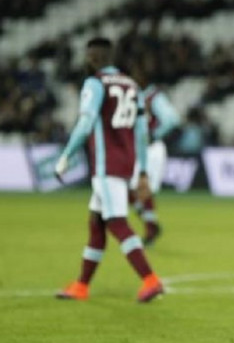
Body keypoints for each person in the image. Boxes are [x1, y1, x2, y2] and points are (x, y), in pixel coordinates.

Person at [53, 37, 164, 303]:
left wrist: (66, 155)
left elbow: (86, 122)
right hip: (125, 165)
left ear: (92, 58)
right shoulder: (132, 85)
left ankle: (151, 280)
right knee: (97, 223)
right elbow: (141, 132)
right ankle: (81, 285)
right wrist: (143, 170)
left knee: (116, 222)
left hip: (106, 166)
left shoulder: (95, 83)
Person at [128, 63, 181, 246]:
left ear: (144, 79)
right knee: (130, 189)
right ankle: (151, 224)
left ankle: (150, 228)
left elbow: (173, 119)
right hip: (138, 148)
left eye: (136, 76)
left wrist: (154, 134)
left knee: (142, 189)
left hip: (151, 149)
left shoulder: (154, 96)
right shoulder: (135, 96)